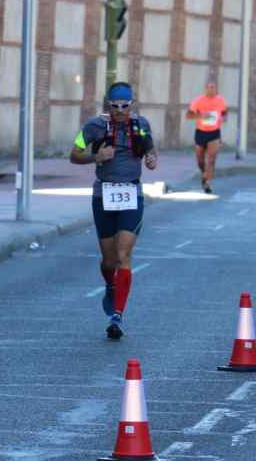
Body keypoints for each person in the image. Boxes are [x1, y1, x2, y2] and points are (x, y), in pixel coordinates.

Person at [70, 82, 158, 340]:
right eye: (115, 105)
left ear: (132, 104)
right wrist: (95, 158)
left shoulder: (141, 125)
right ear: (108, 104)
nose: (120, 110)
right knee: (109, 260)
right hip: (103, 195)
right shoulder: (93, 126)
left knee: (123, 255)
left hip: (131, 193)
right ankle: (110, 285)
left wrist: (152, 159)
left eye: (125, 106)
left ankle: (117, 315)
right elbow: (74, 154)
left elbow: (150, 149)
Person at [186, 81, 227, 194]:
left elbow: (224, 113)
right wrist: (200, 115)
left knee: (212, 159)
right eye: (209, 87)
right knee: (200, 160)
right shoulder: (198, 101)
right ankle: (205, 174)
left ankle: (207, 182)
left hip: (214, 133)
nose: (211, 89)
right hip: (201, 132)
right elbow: (188, 115)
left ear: (216, 89)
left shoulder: (220, 100)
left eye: (213, 87)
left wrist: (224, 118)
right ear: (205, 89)